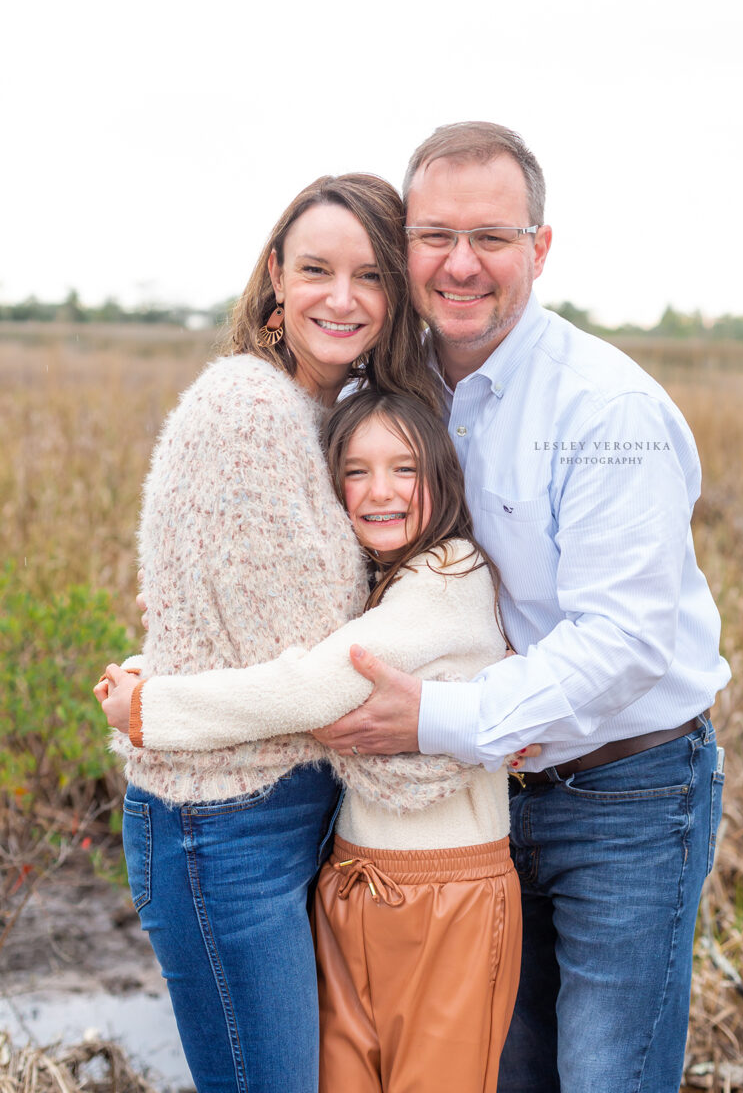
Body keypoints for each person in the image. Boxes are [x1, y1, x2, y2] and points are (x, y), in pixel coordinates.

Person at [313, 122, 731, 1093]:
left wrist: (434, 718)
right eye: (434, 237)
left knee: (604, 1076)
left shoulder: (603, 409)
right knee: (499, 1070)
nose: (460, 265)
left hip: (624, 793)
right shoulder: (394, 390)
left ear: (537, 249)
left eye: (491, 238)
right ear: (403, 247)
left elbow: (623, 643)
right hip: (481, 803)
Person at [94, 173, 439, 1093]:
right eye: (317, 269)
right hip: (222, 822)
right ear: (276, 279)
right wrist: (474, 740)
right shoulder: (249, 412)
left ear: (397, 293)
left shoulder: (341, 415)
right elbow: (333, 688)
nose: (342, 296)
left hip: (287, 804)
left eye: (370, 275)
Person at [100, 390, 523, 1093]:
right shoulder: (374, 582)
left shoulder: (449, 576)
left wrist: (152, 707)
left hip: (448, 894)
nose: (379, 491)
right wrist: (168, 639)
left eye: (405, 469)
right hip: (352, 881)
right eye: (355, 472)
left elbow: (312, 684)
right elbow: (260, 637)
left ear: (444, 478)